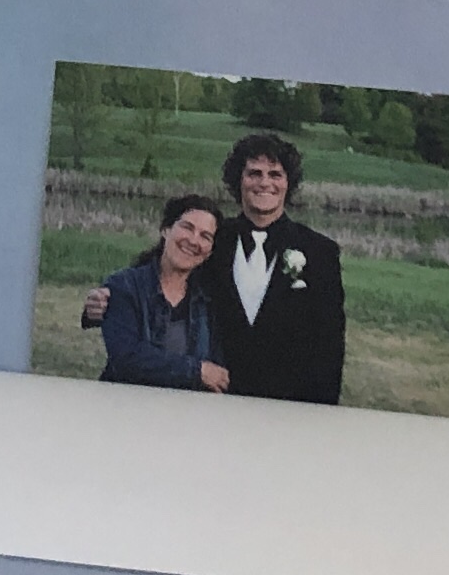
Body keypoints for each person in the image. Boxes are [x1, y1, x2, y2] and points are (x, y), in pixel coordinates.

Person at [209, 129, 347, 404]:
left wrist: (321, 414)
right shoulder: (212, 240)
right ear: (238, 180)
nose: (264, 183)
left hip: (287, 407)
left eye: (275, 174)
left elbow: (329, 346)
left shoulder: (319, 252)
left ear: (288, 183)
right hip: (214, 401)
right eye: (254, 173)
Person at [93, 193, 232, 392]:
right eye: (187, 227)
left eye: (205, 236)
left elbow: (218, 370)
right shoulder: (124, 286)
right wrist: (196, 371)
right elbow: (125, 358)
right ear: (166, 230)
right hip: (126, 404)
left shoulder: (210, 300)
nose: (194, 240)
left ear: (209, 251)